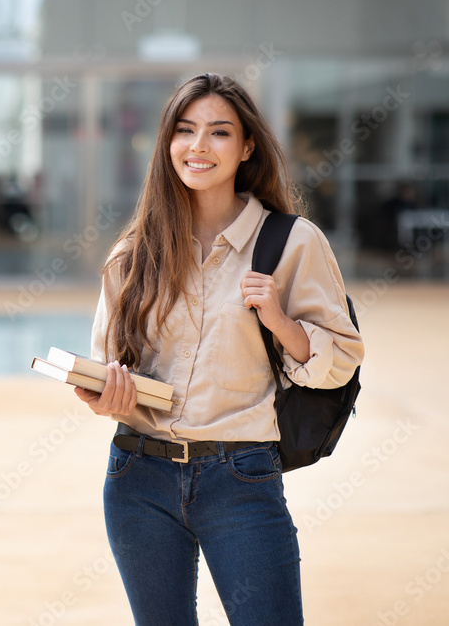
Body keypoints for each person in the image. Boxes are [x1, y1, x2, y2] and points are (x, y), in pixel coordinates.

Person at [74, 73, 364, 625]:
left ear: (247, 146)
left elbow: (342, 362)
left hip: (242, 479)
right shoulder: (134, 253)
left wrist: (279, 320)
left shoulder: (292, 242)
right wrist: (104, 395)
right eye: (184, 131)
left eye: (219, 132)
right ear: (167, 143)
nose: (199, 146)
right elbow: (106, 364)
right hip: (138, 477)